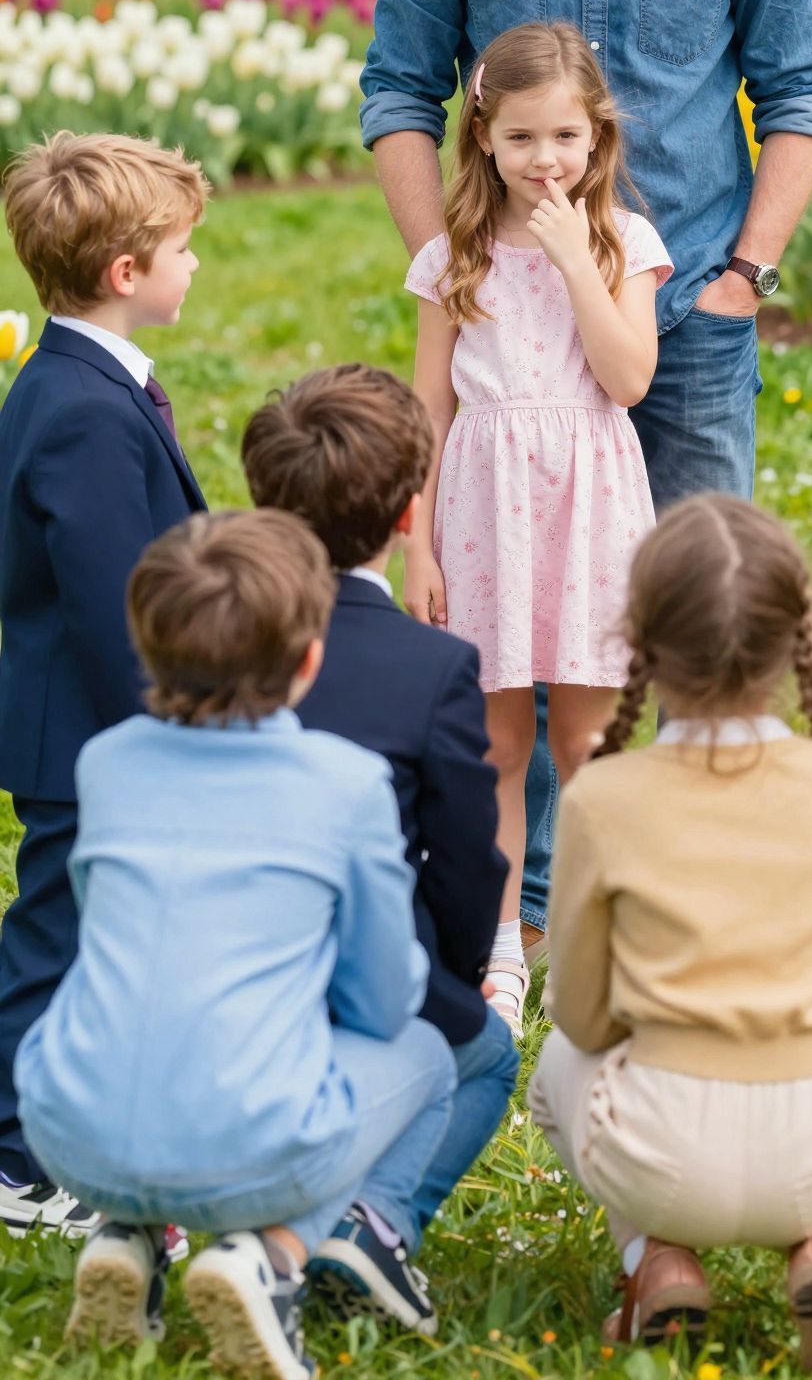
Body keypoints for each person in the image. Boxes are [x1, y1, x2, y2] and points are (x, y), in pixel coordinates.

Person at [361, 0, 812, 945]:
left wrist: (745, 272)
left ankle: (689, 892)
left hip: (677, 319)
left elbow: (803, 92)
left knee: (699, 606)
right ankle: (527, 906)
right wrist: (445, 265)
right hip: (507, 337)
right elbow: (400, 88)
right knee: (514, 609)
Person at [14, 511, 456, 1374]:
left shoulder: (104, 762)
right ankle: (270, 1256)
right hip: (247, 1150)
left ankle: (128, 1237)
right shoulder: (347, 783)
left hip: (67, 1131)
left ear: (145, 647)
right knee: (431, 1057)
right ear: (309, 661)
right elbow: (380, 999)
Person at [529, 496, 812, 1370]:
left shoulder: (602, 798)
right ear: (794, 637)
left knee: (558, 1069)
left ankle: (656, 1260)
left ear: (642, 638)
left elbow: (583, 1020)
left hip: (659, 1157)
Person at [403, 22, 670, 1038]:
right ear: (483, 138)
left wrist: (572, 262)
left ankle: (596, 939)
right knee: (498, 742)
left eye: (564, 135)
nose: (544, 159)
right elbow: (430, 405)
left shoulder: (623, 244)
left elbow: (629, 377)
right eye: (520, 138)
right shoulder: (452, 255)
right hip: (483, 512)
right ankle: (504, 945)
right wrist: (416, 539)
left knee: (590, 738)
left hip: (591, 505)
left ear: (597, 137)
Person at [240, 362, 517, 1323]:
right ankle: (374, 1221)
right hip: (368, 969)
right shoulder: (434, 666)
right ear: (411, 517)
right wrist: (461, 970)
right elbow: (469, 859)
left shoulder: (219, 643)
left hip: (229, 959)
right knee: (488, 1054)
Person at [0, 132, 208, 1235]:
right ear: (126, 272)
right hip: (90, 736)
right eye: (182, 248)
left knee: (75, 927)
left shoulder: (76, 377)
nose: (194, 265)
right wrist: (163, 733)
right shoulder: (84, 408)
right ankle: (19, 1160)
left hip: (80, 730)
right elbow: (109, 602)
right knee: (58, 937)